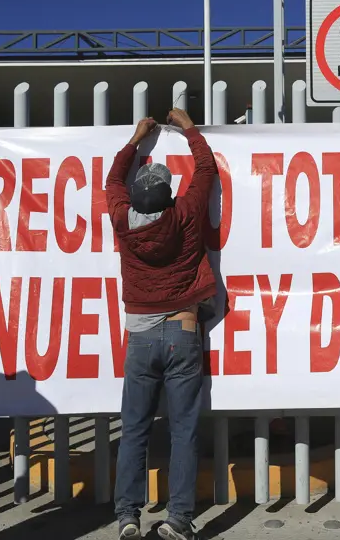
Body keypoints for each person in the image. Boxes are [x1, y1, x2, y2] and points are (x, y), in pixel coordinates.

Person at [108, 110, 217, 540]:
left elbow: (113, 179)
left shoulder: (121, 219)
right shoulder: (186, 213)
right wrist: (189, 128)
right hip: (182, 331)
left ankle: (127, 517)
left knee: (134, 428)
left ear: (134, 199)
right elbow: (206, 169)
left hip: (139, 337)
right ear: (170, 195)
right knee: (183, 429)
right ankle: (178, 519)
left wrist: (137, 139)